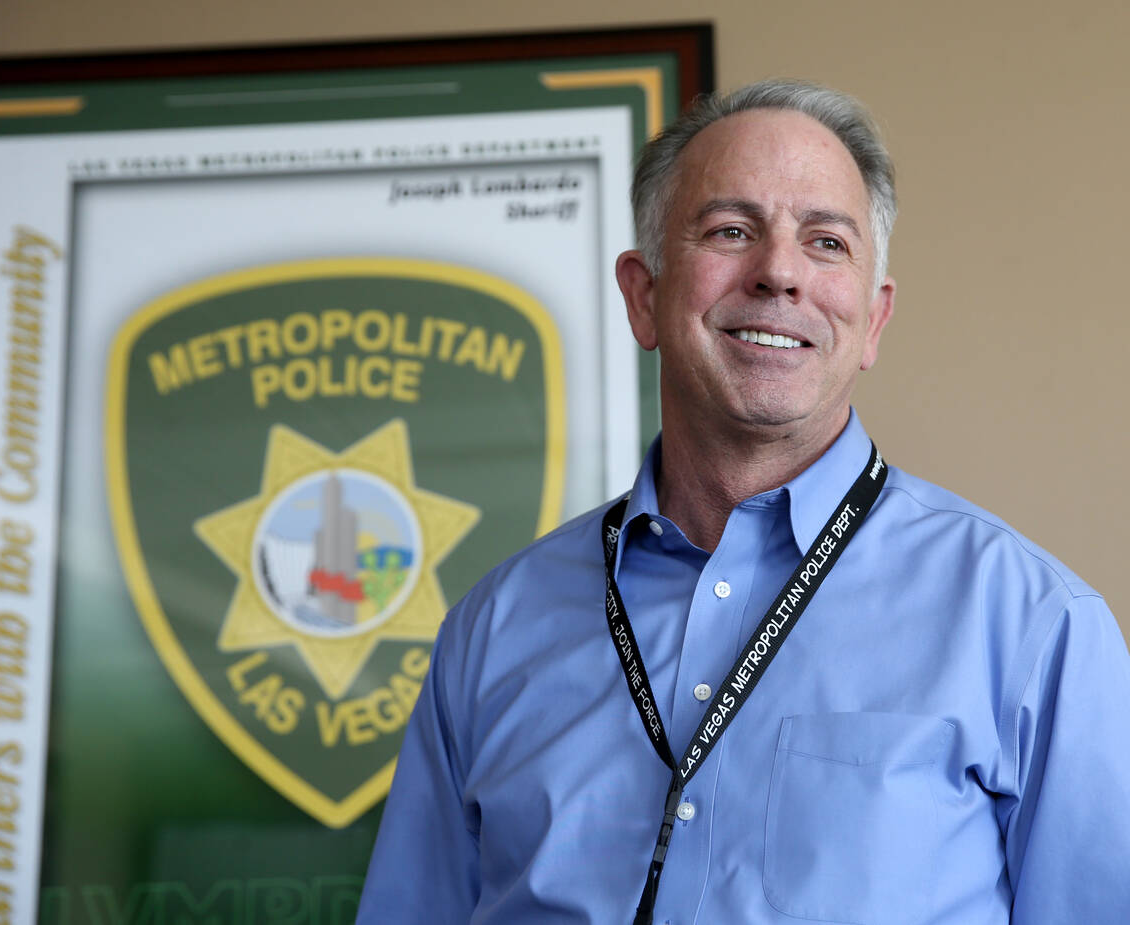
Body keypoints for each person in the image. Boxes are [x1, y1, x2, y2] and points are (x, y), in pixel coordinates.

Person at [356, 79, 1130, 924]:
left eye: (826, 241)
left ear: (873, 321)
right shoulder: (490, 630)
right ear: (644, 295)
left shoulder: (1034, 628)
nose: (779, 274)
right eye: (731, 230)